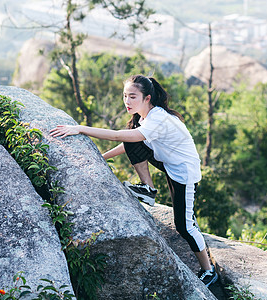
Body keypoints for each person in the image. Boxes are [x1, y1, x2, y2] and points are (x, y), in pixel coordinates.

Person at [49, 74, 218, 287]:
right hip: (168, 162)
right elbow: (130, 143)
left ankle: (209, 271)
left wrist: (80, 129)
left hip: (183, 172)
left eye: (132, 97)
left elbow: (124, 137)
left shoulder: (158, 118)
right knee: (131, 137)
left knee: (184, 227)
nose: (127, 101)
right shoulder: (142, 117)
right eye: (125, 96)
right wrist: (101, 158)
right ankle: (148, 189)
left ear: (147, 98)